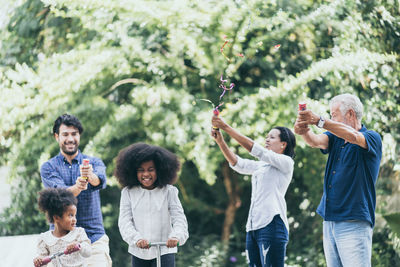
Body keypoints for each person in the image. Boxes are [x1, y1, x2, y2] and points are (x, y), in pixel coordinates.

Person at [294, 93, 382, 266]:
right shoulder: (335, 137)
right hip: (330, 220)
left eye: (334, 115)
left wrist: (320, 120)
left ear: (350, 114)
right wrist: (304, 130)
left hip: (354, 221)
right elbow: (316, 141)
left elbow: (354, 137)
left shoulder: (372, 137)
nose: (331, 119)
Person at [211, 115, 296, 267]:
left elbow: (257, 151)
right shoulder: (262, 166)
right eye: (266, 137)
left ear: (283, 144)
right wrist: (220, 141)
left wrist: (226, 127)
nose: (267, 140)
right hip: (253, 228)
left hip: (272, 224)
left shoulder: (286, 163)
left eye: (272, 137)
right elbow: (238, 164)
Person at [40, 114, 112, 267]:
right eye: (65, 134)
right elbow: (61, 197)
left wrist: (89, 175)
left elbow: (100, 180)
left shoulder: (94, 162)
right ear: (56, 137)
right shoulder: (48, 167)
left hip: (94, 239)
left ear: (79, 136)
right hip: (61, 243)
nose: (70, 139)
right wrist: (78, 186)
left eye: (74, 134)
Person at [115, 143, 189, 267]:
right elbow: (125, 221)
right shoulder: (128, 192)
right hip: (139, 252)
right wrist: (136, 239)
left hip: (165, 250)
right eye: (141, 170)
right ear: (133, 172)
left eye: (151, 169)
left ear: (159, 170)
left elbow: (179, 219)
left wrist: (176, 236)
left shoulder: (169, 191)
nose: (146, 174)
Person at [33, 188, 91, 267]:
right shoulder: (45, 239)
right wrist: (39, 260)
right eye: (70, 215)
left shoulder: (78, 233)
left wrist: (78, 245)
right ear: (56, 218)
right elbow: (42, 259)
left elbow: (88, 252)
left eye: (75, 215)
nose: (74, 219)